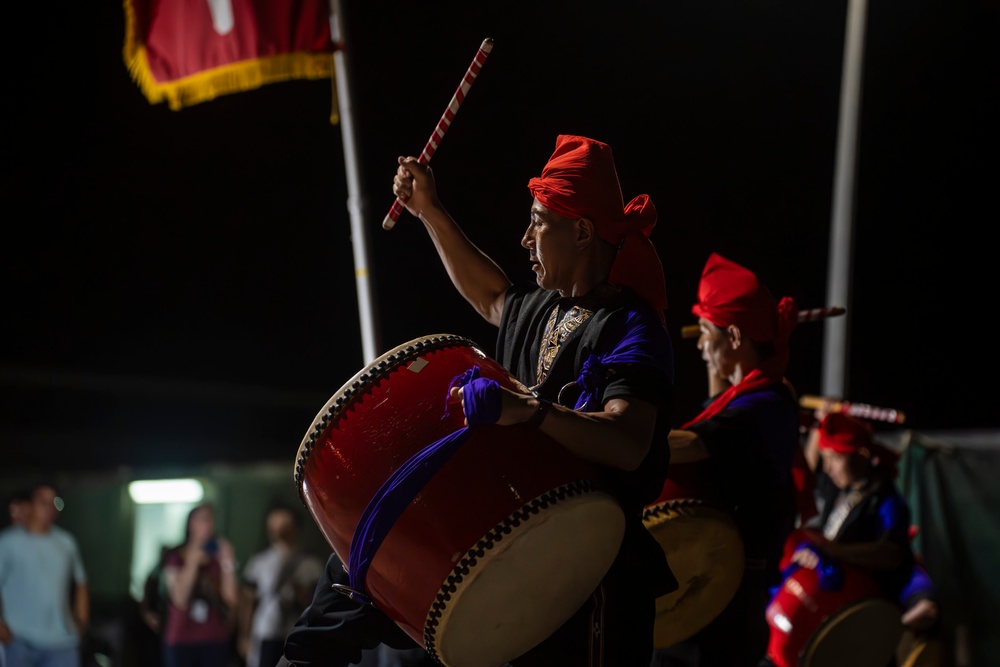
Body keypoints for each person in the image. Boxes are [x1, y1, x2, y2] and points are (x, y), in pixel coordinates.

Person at [279, 133, 678, 666]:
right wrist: (429, 210)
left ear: (581, 231)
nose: (524, 238)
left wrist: (530, 412)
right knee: (355, 575)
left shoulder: (632, 326)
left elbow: (627, 441)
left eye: (538, 221)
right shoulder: (542, 308)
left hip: (592, 568)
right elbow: (491, 296)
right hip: (513, 536)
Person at [651, 253, 802, 667]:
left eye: (705, 333)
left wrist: (612, 431)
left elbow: (692, 444)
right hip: (707, 587)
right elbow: (717, 405)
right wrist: (720, 350)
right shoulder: (744, 399)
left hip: (726, 600)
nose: (699, 344)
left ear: (735, 337)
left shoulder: (767, 404)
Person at [0, 482, 90, 667]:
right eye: (43, 502)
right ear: (30, 505)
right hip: (19, 639)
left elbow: (81, 582)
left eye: (54, 502)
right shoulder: (8, 542)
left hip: (61, 641)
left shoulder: (66, 543)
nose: (49, 508)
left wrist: (81, 622)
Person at [237, 504, 324, 667]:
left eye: (285, 526)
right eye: (274, 526)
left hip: (297, 632)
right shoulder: (260, 562)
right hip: (265, 631)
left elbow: (316, 603)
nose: (279, 532)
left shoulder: (311, 564)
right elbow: (248, 600)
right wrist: (244, 636)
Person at [160, 503, 239, 667]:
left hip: (214, 638)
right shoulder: (175, 556)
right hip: (181, 639)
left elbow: (231, 600)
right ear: (190, 524)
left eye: (210, 520)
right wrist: (193, 562)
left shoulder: (219, 557)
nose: (208, 525)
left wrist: (228, 563)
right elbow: (180, 600)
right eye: (202, 519)